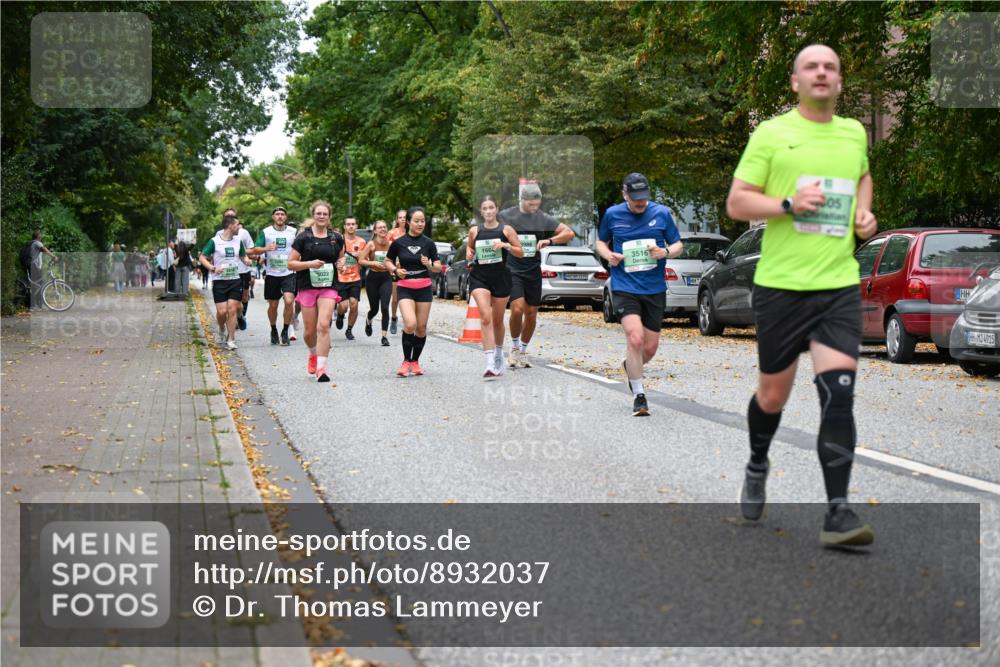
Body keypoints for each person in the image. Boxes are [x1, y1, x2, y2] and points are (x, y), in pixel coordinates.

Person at [726, 44, 878, 547]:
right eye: (811, 66)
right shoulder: (772, 134)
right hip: (781, 287)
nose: (821, 73)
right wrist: (789, 203)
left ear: (838, 81)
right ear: (795, 81)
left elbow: (861, 176)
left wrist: (863, 214)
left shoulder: (853, 132)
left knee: (839, 394)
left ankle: (838, 513)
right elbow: (737, 201)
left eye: (830, 66)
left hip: (836, 285)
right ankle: (757, 461)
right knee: (773, 395)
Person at [596, 173, 683, 416]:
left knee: (650, 348)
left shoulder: (662, 213)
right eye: (635, 199)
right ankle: (639, 396)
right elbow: (601, 242)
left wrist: (665, 251)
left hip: (654, 288)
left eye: (644, 198)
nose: (640, 203)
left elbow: (678, 245)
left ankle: (630, 366)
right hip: (625, 286)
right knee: (635, 338)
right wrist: (608, 255)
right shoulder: (613, 214)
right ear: (625, 195)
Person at [499, 184, 576, 368]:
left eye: (537, 204)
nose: (534, 208)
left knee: (532, 313)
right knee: (517, 309)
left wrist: (549, 240)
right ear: (522, 201)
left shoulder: (542, 218)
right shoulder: (507, 215)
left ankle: (524, 352)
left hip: (533, 270)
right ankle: (515, 348)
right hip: (513, 269)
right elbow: (489, 230)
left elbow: (569, 232)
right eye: (530, 204)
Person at [466, 195, 524, 378]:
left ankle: (499, 353)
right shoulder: (474, 231)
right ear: (481, 211)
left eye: (491, 207)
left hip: (501, 277)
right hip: (479, 277)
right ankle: (490, 362)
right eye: (485, 208)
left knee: (497, 320)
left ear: (496, 209)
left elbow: (520, 252)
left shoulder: (506, 230)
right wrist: (469, 254)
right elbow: (470, 249)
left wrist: (505, 245)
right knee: (485, 316)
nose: (489, 211)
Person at [288, 203, 345, 382]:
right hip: (307, 286)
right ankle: (313, 353)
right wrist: (309, 264)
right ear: (313, 215)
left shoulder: (336, 237)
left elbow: (341, 256)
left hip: (329, 286)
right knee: (309, 332)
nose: (322, 216)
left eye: (325, 214)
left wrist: (341, 263)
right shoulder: (303, 238)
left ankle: (321, 369)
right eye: (318, 213)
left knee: (324, 326)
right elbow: (291, 263)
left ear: (329, 216)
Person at [384, 206, 442, 377]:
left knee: (421, 328)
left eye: (422, 221)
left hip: (424, 287)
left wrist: (429, 265)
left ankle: (414, 361)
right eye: (416, 221)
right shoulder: (399, 242)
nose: (420, 224)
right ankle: (405, 361)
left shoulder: (429, 243)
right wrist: (395, 270)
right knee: (410, 324)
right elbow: (387, 261)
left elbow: (438, 267)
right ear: (408, 222)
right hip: (405, 287)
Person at [200, 215, 250, 350]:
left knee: (232, 309)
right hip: (219, 281)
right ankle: (222, 328)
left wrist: (246, 260)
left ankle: (231, 339)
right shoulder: (214, 241)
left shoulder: (238, 241)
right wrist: (212, 268)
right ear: (230, 226)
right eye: (237, 225)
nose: (239, 227)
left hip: (234, 279)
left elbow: (242, 254)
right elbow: (202, 257)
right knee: (222, 312)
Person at [253, 206, 298, 346]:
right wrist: (266, 248)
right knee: (273, 305)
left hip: (289, 272)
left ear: (286, 217)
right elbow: (255, 249)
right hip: (272, 273)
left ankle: (285, 330)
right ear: (273, 217)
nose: (280, 216)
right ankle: (273, 329)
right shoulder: (266, 232)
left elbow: (300, 247)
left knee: (289, 301)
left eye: (282, 214)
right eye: (277, 214)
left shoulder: (293, 232)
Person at [360, 220, 393, 346]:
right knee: (374, 309)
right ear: (375, 231)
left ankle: (384, 337)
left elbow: (396, 260)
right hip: (373, 278)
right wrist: (373, 263)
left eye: (384, 227)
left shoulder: (391, 245)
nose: (383, 229)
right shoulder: (371, 244)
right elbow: (361, 260)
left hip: (386, 278)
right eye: (380, 228)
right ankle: (369, 320)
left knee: (385, 307)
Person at [334, 216, 367, 341]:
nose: (351, 226)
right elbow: (333, 257)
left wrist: (361, 257)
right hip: (341, 278)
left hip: (355, 278)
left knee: (354, 304)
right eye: (348, 224)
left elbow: (366, 261)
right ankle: (340, 315)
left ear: (356, 226)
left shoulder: (362, 242)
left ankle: (349, 329)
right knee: (343, 306)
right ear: (344, 226)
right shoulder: (338, 240)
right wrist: (338, 264)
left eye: (353, 224)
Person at [21, 230, 58, 309]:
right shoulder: (37, 243)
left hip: (31, 265)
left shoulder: (31, 243)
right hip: (34, 266)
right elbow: (44, 249)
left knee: (37, 284)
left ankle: (37, 303)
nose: (41, 237)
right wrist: (53, 256)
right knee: (38, 284)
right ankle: (35, 303)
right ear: (38, 236)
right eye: (40, 235)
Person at [387, 209, 408, 335]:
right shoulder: (392, 233)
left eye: (405, 217)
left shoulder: (413, 233)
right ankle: (394, 318)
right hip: (396, 268)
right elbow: (389, 252)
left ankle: (408, 321)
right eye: (400, 217)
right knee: (395, 298)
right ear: (397, 220)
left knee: (408, 297)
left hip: (410, 269)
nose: (403, 219)